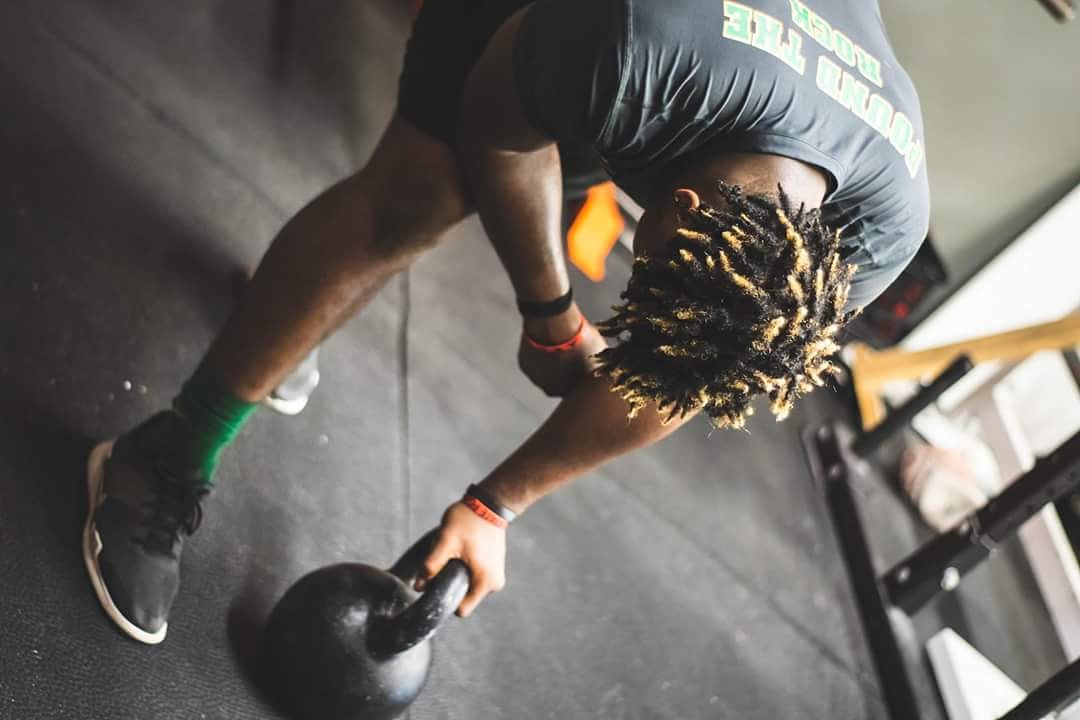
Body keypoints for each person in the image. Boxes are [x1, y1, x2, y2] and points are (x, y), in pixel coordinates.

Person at [82, 0, 929, 644]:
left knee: (553, 143)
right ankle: (165, 450)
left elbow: (688, 379)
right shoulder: (638, 49)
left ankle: (284, 326)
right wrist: (553, 315)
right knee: (419, 197)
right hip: (599, 31)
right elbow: (500, 136)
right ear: (671, 204)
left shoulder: (874, 232)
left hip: (678, 70)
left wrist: (493, 509)